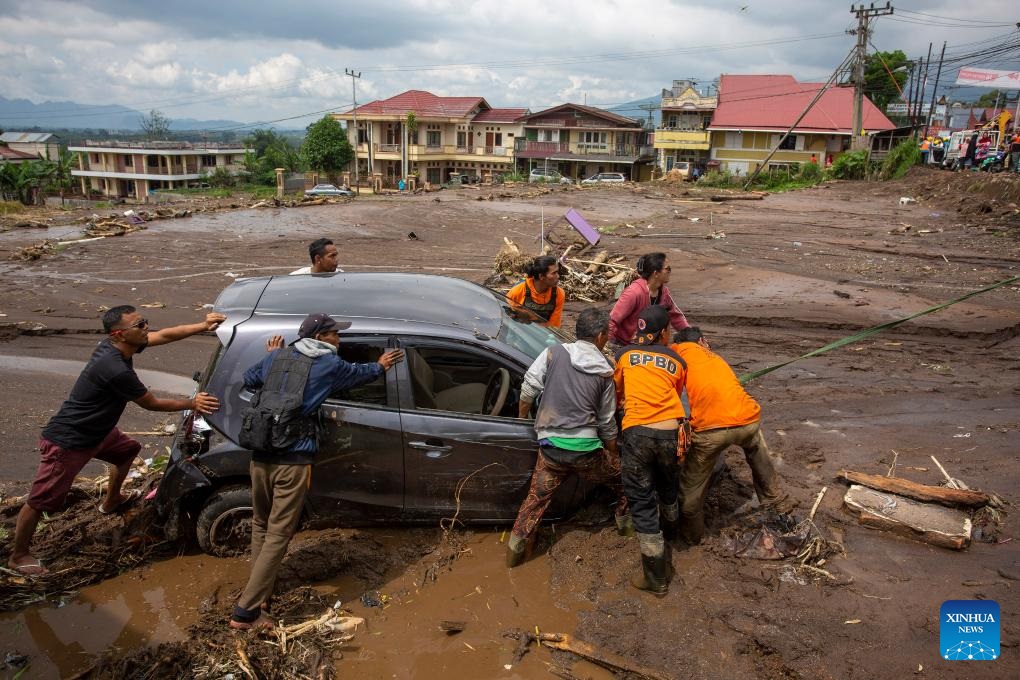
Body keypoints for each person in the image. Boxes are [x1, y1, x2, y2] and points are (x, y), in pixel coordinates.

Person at [7, 307, 224, 576]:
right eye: (140, 325)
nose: (147, 328)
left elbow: (165, 335)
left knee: (127, 451)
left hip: (99, 432)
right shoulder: (114, 368)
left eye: (145, 322)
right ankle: (18, 556)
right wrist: (193, 403)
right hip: (70, 440)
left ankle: (111, 501)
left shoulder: (120, 345)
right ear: (120, 333)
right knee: (41, 501)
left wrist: (202, 326)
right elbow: (151, 403)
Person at [230, 313, 404, 631]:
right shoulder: (328, 364)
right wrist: (381, 365)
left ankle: (261, 593)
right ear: (322, 337)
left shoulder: (279, 356)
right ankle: (246, 613)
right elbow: (359, 374)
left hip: (260, 455)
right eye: (336, 335)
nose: (340, 340)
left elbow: (251, 378)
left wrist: (273, 358)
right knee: (279, 534)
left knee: (260, 523)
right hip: (292, 461)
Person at [506, 308, 634, 568]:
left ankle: (514, 556)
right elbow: (607, 423)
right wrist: (612, 454)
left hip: (551, 449)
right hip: (587, 453)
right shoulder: (606, 372)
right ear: (599, 336)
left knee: (534, 502)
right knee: (628, 481)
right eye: (606, 335)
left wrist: (521, 421)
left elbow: (529, 387)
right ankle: (625, 529)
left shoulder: (554, 352)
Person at [671, 327, 792, 545]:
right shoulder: (716, 358)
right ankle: (782, 512)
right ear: (703, 342)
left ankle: (691, 538)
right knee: (761, 462)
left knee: (690, 493)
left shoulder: (676, 354)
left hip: (711, 431)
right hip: (748, 422)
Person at [613, 306, 688, 596]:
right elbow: (676, 392)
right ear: (664, 333)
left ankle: (656, 578)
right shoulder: (677, 360)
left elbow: (616, 393)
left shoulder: (623, 355)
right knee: (669, 485)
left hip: (637, 432)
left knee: (642, 502)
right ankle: (673, 534)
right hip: (671, 433)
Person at [608, 252, 690, 349]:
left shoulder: (664, 292)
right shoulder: (633, 293)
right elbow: (612, 321)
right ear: (656, 273)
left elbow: (676, 316)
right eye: (667, 269)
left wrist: (692, 336)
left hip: (648, 343)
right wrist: (610, 346)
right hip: (625, 344)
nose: (670, 271)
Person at [505, 255, 565, 328]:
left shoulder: (559, 294)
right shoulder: (518, 291)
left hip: (543, 335)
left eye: (557, 272)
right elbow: (506, 318)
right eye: (554, 273)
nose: (558, 276)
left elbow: (554, 326)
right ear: (541, 276)